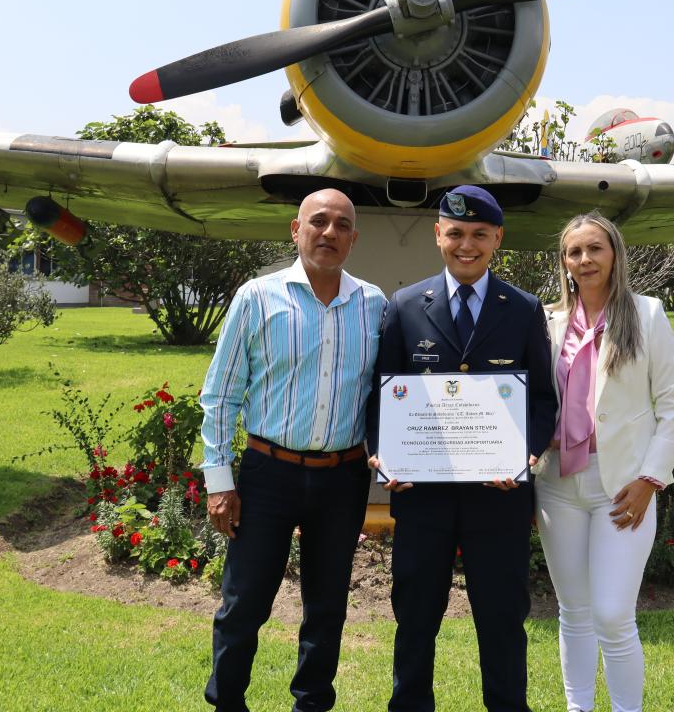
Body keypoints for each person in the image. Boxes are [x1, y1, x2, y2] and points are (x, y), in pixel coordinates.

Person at [367, 185, 558, 712]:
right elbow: (382, 393)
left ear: (498, 237)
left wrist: (527, 455)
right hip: (422, 495)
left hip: (496, 497)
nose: (466, 245)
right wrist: (383, 451)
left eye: (478, 234)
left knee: (501, 621)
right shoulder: (405, 306)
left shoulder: (522, 309)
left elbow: (542, 400)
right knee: (415, 618)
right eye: (455, 233)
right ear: (437, 236)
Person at [199, 189, 386, 712]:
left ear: (353, 238)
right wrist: (220, 483)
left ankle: (311, 704)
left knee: (327, 607)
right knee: (243, 603)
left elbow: (387, 394)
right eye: (318, 221)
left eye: (341, 224)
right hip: (267, 474)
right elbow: (221, 394)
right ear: (295, 229)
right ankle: (227, 702)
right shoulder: (256, 297)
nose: (328, 232)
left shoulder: (374, 305)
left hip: (341, 477)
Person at [537, 212, 674, 712]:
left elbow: (672, 405)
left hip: (623, 487)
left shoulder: (646, 315)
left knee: (613, 614)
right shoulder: (549, 321)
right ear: (564, 262)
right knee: (573, 611)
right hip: (558, 485)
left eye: (595, 249)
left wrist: (651, 479)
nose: (585, 260)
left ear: (614, 253)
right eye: (574, 252)